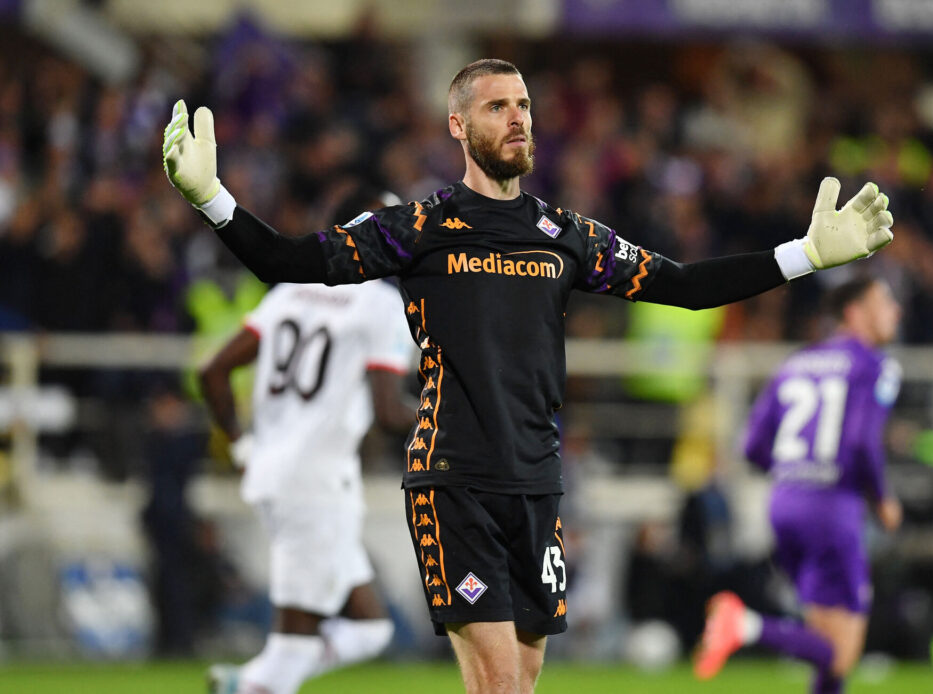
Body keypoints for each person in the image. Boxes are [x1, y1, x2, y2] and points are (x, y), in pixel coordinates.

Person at [163, 58, 894, 694]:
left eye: (524, 106)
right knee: (502, 685)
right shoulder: (419, 228)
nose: (517, 119)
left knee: (522, 678)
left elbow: (687, 285)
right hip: (457, 480)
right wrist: (211, 199)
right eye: (497, 107)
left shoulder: (566, 235)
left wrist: (802, 255)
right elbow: (291, 263)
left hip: (537, 484)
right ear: (458, 126)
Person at [198, 188, 416, 694]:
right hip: (316, 483)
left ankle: (246, 682)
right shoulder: (380, 303)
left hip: (278, 473)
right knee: (291, 649)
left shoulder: (293, 289)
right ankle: (257, 685)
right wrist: (455, 423)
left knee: (370, 628)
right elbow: (388, 413)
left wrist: (240, 446)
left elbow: (213, 372)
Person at [694, 276, 904, 694]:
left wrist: (797, 471)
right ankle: (745, 625)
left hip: (786, 503)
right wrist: (882, 499)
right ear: (854, 312)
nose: (895, 310)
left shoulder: (797, 363)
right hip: (833, 508)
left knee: (824, 646)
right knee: (841, 654)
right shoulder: (875, 365)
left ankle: (747, 626)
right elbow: (863, 442)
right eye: (884, 301)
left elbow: (752, 446)